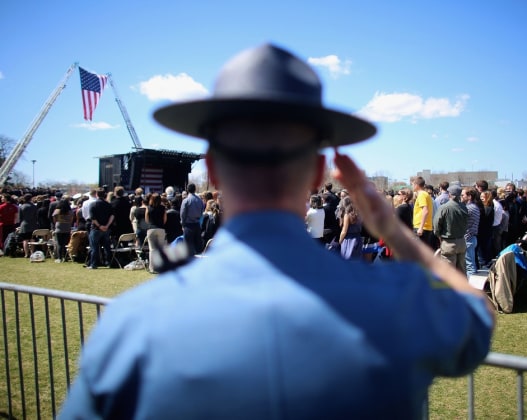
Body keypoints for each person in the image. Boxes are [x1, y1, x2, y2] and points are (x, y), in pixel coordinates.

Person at [60, 43, 494, 419]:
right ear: (318, 173)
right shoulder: (396, 300)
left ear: (210, 168)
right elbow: (478, 312)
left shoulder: (131, 327)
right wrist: (395, 234)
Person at [433, 185, 468, 274]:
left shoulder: (444, 208)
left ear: (450, 195)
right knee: (461, 270)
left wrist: (438, 235)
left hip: (449, 242)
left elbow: (436, 224)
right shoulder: (464, 207)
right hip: (461, 241)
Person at [86, 188, 114, 269]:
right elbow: (112, 216)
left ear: (96, 195)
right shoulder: (108, 204)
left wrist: (99, 226)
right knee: (106, 247)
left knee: (94, 247)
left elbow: (92, 218)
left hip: (96, 228)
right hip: (106, 228)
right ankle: (108, 262)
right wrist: (107, 225)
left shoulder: (93, 204)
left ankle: (94, 264)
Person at [145, 193, 167, 274]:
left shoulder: (148, 208)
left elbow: (146, 219)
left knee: (152, 249)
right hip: (161, 228)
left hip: (151, 229)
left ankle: (152, 268)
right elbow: (165, 219)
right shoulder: (163, 208)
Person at [461, 187, 480, 277]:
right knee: (470, 263)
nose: (461, 197)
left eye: (463, 195)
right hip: (471, 238)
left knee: (470, 266)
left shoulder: (469, 208)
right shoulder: (474, 207)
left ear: (469, 196)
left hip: (468, 238)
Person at [180, 183, 204, 256]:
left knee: (187, 248)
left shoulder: (186, 200)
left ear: (187, 190)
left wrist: (183, 225)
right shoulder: (200, 200)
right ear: (195, 189)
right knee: (198, 248)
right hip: (197, 225)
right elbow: (201, 212)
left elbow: (182, 214)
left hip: (188, 225)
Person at [412, 176, 435, 248]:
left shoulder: (421, 195)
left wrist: (421, 228)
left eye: (412, 184)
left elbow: (425, 211)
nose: (412, 186)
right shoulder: (425, 194)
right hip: (425, 227)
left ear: (416, 185)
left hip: (421, 228)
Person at [52, 198, 74, 262]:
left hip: (59, 227)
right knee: (65, 243)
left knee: (59, 243)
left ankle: (59, 258)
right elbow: (71, 220)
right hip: (67, 227)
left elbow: (54, 218)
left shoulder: (57, 211)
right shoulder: (70, 211)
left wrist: (56, 222)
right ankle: (65, 256)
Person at [18, 193, 38, 258]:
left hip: (24, 224)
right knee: (32, 239)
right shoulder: (34, 206)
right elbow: (36, 216)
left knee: (25, 240)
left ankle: (26, 254)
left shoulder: (22, 206)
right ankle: (32, 253)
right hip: (33, 224)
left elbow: (20, 217)